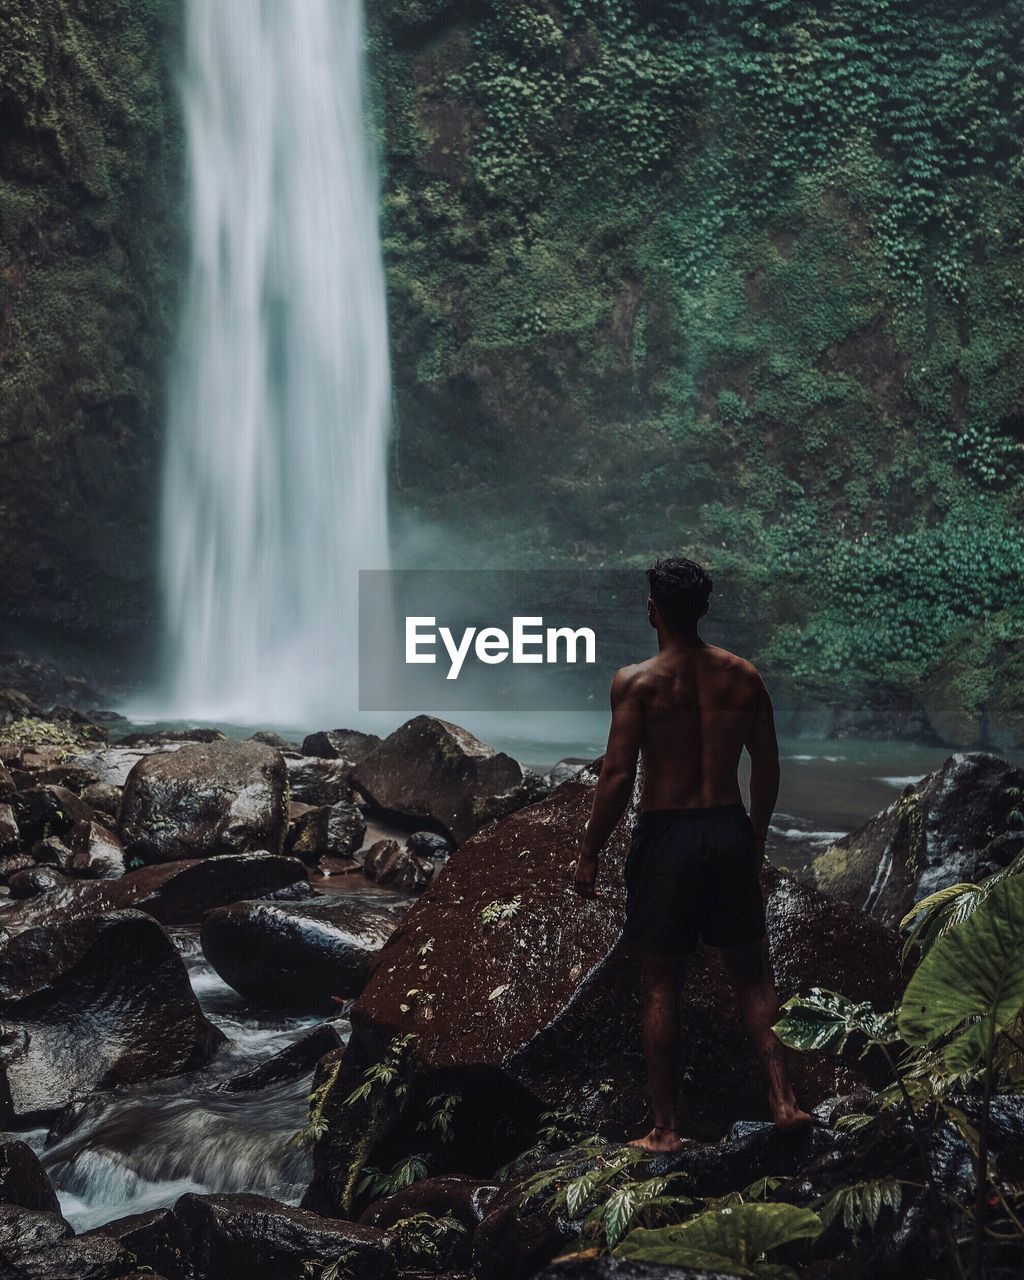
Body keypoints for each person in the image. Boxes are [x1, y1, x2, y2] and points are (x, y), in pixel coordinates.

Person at [572, 557, 812, 1153]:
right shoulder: (743, 678)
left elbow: (617, 776)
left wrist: (589, 852)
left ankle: (665, 1129)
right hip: (727, 829)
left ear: (652, 609)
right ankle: (784, 1104)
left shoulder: (637, 683)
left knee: (662, 987)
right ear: (703, 610)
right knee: (753, 979)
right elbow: (768, 766)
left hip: (666, 835)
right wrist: (755, 837)